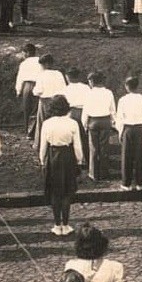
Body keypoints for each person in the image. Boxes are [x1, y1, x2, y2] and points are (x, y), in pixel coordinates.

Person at [39, 96, 83, 238]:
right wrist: (79, 160)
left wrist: (42, 160)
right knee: (66, 191)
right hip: (68, 156)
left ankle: (57, 225)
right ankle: (65, 224)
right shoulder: (72, 123)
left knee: (55, 191)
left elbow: (43, 146)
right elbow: (77, 145)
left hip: (53, 156)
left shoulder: (47, 123)